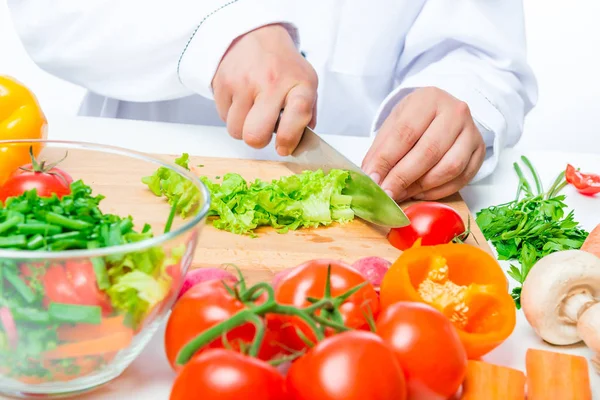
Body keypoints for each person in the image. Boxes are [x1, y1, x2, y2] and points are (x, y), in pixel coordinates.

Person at [7, 0, 537, 202]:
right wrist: (222, 34)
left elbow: (482, 51)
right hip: (141, 178)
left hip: (371, 179)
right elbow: (48, 12)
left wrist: (461, 96)